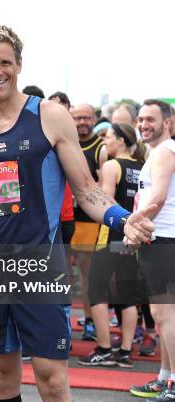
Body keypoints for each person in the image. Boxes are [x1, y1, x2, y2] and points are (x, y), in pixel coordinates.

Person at [0, 24, 155, 402]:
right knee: (0, 376)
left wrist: (122, 219)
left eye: (5, 63)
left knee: (50, 378)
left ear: (19, 65)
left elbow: (86, 189)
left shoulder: (49, 116)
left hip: (38, 265)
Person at [79, 123, 145, 369]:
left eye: (107, 137)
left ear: (120, 140)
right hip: (132, 237)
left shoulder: (111, 166)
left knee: (96, 291)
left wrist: (91, 188)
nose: (104, 141)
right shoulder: (142, 167)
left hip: (110, 235)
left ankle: (104, 349)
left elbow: (105, 204)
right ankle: (125, 352)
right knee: (126, 296)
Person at [129, 99, 175, 402]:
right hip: (157, 240)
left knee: (164, 315)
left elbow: (157, 197)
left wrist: (131, 223)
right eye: (140, 119)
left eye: (151, 119)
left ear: (168, 122)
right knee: (163, 316)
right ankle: (164, 375)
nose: (144, 124)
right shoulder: (157, 153)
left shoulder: (164, 152)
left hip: (163, 240)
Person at [69, 102, 108, 342]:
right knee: (61, 273)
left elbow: (105, 188)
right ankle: (63, 319)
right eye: (78, 118)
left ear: (94, 119)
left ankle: (91, 320)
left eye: (86, 118)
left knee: (87, 275)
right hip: (64, 218)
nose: (82, 122)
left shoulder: (100, 149)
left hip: (87, 220)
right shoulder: (66, 143)